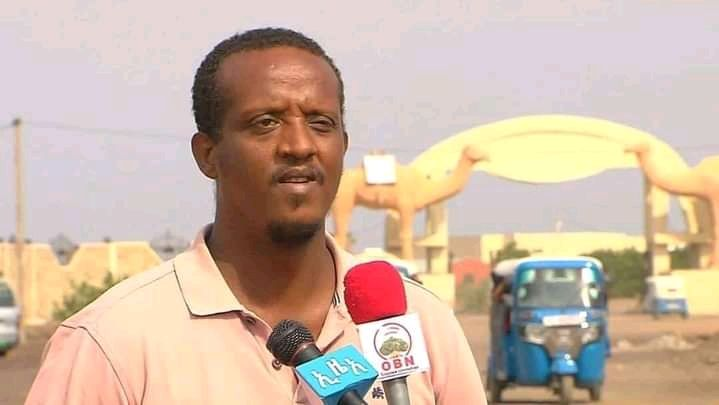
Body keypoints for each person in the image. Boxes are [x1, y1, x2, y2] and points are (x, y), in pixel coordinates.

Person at [24, 27, 486, 405]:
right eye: (266, 122)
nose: (300, 146)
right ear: (208, 154)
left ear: (343, 147)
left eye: (320, 123)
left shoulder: (418, 322)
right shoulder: (109, 342)